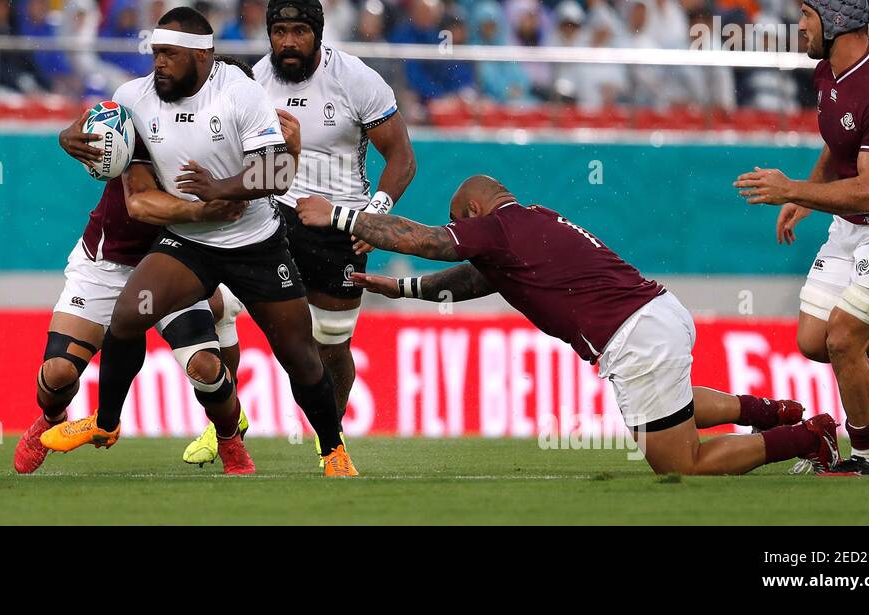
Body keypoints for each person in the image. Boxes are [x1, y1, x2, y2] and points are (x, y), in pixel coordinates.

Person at [295, 175, 838, 477]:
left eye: (463, 220)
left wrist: (340, 217)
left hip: (635, 334)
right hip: (656, 315)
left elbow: (429, 242)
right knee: (674, 408)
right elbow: (483, 279)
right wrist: (408, 289)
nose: (463, 231)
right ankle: (772, 412)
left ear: (477, 208)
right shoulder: (530, 220)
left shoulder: (495, 226)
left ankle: (806, 439)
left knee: (680, 462)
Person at [40, 7, 358, 476]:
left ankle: (333, 451)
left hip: (255, 244)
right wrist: (69, 136)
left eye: (169, 55)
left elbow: (280, 171)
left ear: (203, 57)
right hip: (188, 244)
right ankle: (105, 424)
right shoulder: (135, 95)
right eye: (156, 54)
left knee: (300, 356)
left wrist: (221, 187)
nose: (159, 64)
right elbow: (98, 128)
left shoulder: (239, 93)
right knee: (128, 317)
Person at [734, 0, 869, 476]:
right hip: (855, 219)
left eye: (807, 16)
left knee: (844, 338)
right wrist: (807, 195)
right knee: (814, 340)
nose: (799, 26)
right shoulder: (827, 72)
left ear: (835, 22)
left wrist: (791, 189)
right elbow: (839, 140)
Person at [208, 0, 413, 466]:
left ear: (318, 35)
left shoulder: (357, 79)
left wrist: (374, 213)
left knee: (331, 343)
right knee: (217, 303)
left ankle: (331, 440)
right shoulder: (256, 81)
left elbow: (401, 156)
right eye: (279, 32)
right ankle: (225, 423)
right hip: (274, 214)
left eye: (299, 31)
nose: (289, 42)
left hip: (340, 224)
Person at [14, 89, 267, 476]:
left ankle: (230, 441)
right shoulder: (146, 117)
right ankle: (51, 416)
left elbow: (272, 172)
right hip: (106, 263)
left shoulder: (230, 142)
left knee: (206, 367)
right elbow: (135, 196)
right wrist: (67, 135)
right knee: (57, 374)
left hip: (173, 261)